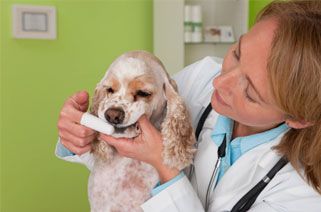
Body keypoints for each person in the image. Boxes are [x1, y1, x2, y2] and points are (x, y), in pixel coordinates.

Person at [56, 1, 321, 211]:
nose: (219, 81)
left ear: (298, 118)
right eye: (237, 53)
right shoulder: (201, 78)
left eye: (250, 92)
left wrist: (166, 167)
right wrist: (80, 136)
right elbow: (122, 161)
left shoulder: (304, 193)